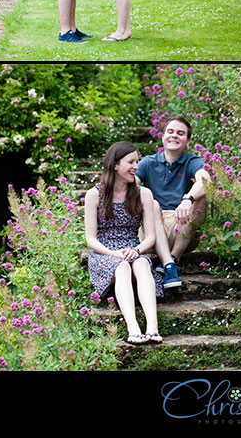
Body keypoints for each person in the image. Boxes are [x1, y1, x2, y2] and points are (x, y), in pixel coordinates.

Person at [84, 142, 164, 345]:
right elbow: (91, 239)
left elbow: (150, 238)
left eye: (137, 161)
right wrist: (114, 253)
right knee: (121, 268)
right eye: (131, 162)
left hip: (133, 248)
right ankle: (133, 327)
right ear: (115, 165)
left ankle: (152, 327)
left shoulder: (143, 194)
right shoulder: (94, 194)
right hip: (105, 251)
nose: (136, 166)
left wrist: (136, 250)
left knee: (143, 264)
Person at [136, 115, 211, 290]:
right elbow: (129, 185)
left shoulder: (192, 161)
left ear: (187, 141)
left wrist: (188, 199)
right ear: (163, 137)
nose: (174, 136)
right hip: (152, 230)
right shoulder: (148, 162)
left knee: (202, 196)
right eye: (170, 132)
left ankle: (173, 257)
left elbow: (206, 180)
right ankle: (170, 265)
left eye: (180, 133)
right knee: (149, 201)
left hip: (183, 229)